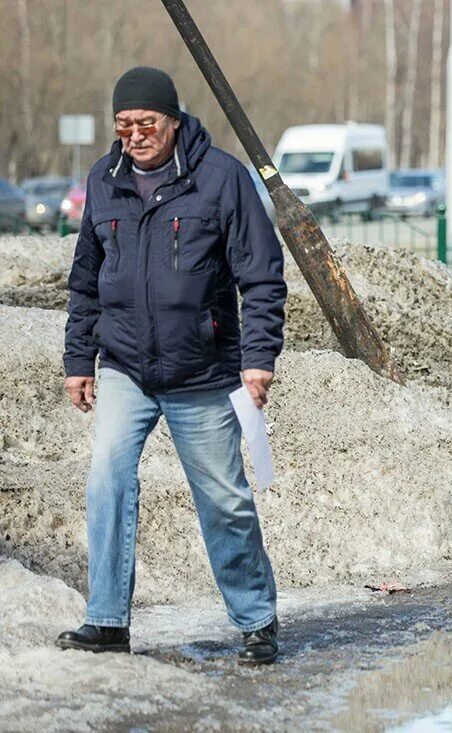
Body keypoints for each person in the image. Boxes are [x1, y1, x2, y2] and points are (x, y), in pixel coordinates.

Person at [58, 67, 286, 665]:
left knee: (223, 498)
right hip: (125, 365)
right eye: (124, 125)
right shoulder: (103, 181)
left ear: (173, 123)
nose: (134, 135)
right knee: (107, 479)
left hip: (203, 371)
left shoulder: (220, 180)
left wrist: (258, 359)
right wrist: (80, 358)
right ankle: (106, 620)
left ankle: (257, 620)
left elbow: (261, 277)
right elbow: (85, 280)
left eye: (146, 124)